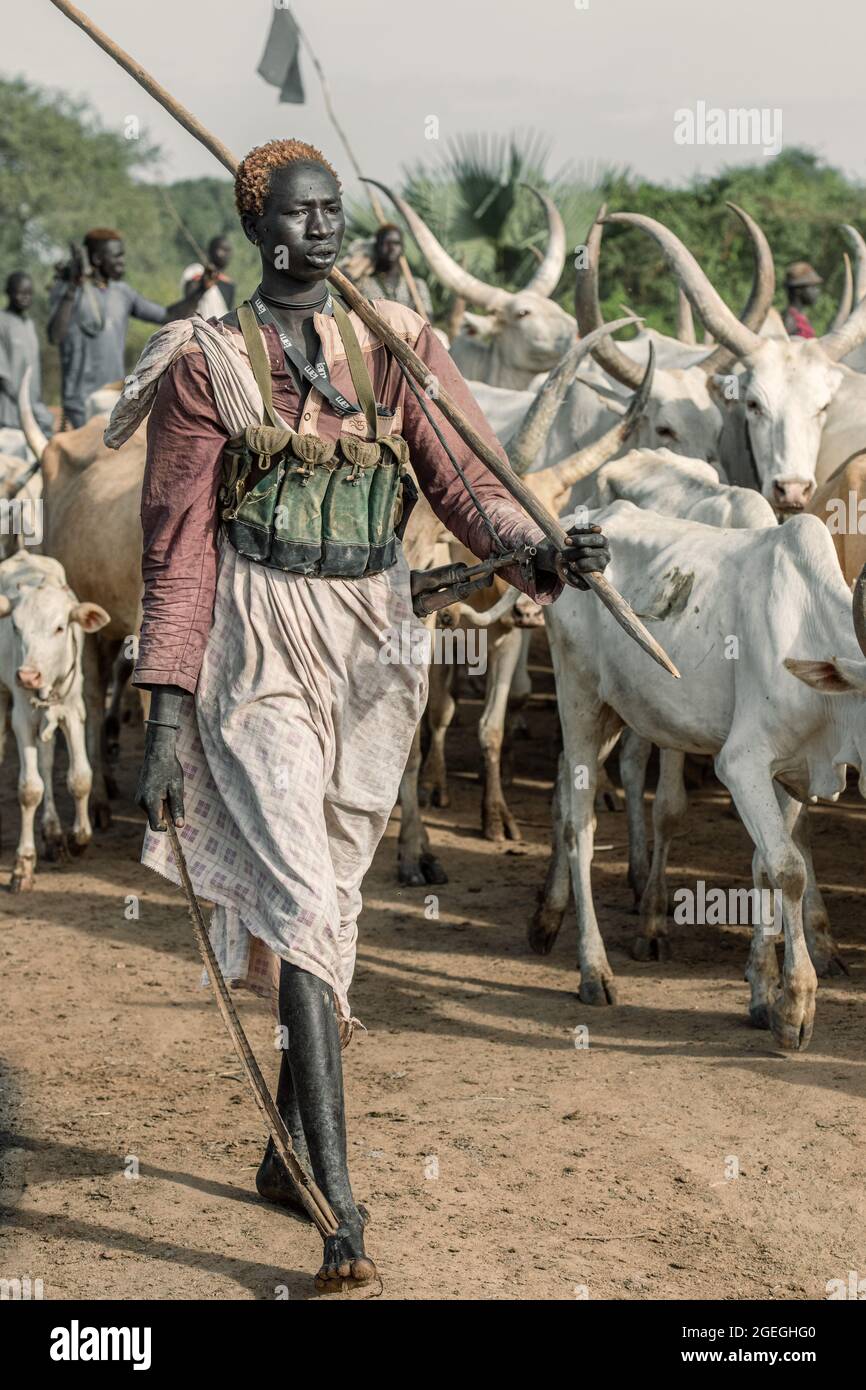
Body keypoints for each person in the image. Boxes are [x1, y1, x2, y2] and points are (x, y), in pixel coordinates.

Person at [122, 138, 609, 1291]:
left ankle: (280, 1159)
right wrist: (163, 720)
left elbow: (460, 476)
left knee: (331, 904)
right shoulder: (205, 363)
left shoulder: (393, 340)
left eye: (333, 208)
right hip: (257, 639)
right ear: (258, 230)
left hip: (374, 638)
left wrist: (532, 547)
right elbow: (177, 551)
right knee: (298, 892)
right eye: (300, 214)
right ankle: (340, 1201)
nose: (324, 228)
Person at [47, 228, 214, 429]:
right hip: (78, 404)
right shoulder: (68, 291)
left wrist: (201, 290)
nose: (122, 261)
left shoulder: (123, 293)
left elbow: (168, 316)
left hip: (113, 397)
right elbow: (55, 336)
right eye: (117, 256)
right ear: (99, 259)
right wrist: (73, 286)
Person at [0, 272, 55, 448]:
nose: (25, 297)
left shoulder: (29, 324)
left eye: (29, 293)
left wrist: (35, 408)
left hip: (33, 411)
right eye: (20, 292)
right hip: (9, 415)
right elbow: (3, 376)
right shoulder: (2, 322)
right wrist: (24, 405)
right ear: (8, 292)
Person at [351, 223, 434, 318]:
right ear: (377, 247)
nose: (391, 248)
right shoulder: (363, 284)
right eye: (386, 243)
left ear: (402, 248)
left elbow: (427, 322)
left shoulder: (416, 286)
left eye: (396, 243)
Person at [181, 234, 236, 319]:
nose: (226, 255)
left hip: (218, 330)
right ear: (210, 251)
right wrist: (203, 284)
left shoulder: (229, 284)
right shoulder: (195, 271)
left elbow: (225, 313)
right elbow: (189, 298)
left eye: (228, 251)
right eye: (222, 250)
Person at [783, 261, 823, 339]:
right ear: (798, 290)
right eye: (813, 286)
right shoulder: (790, 322)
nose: (817, 291)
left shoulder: (801, 318)